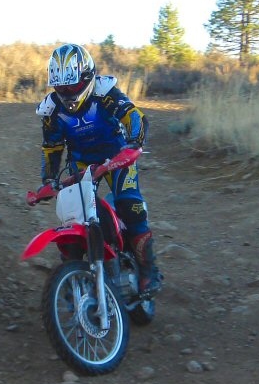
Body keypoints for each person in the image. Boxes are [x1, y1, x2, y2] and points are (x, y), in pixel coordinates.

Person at [35, 42, 163, 298]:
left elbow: (134, 116)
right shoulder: (51, 110)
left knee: (129, 205)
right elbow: (52, 147)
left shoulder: (105, 92)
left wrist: (134, 144)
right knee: (74, 216)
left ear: (87, 78)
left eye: (72, 86)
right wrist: (48, 180)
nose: (67, 92)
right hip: (82, 163)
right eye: (61, 87)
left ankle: (149, 271)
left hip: (117, 156)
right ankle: (74, 277)